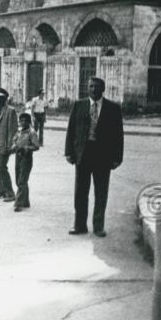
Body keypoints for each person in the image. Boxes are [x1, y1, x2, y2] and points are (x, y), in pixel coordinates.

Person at [64, 76, 124, 237]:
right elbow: (71, 130)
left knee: (101, 192)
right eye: (90, 86)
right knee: (80, 192)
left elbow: (118, 135)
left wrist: (118, 157)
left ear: (102, 89)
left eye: (96, 87)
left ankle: (98, 226)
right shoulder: (79, 105)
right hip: (83, 154)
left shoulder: (113, 108)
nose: (93, 89)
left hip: (103, 156)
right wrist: (69, 152)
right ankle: (79, 225)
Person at [0, 88, 18, 202]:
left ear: (5, 99)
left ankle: (10, 193)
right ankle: (1, 190)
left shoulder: (10, 111)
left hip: (4, 145)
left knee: (2, 168)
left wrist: (11, 145)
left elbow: (13, 130)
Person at [9, 112, 40, 211]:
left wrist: (27, 148)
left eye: (25, 121)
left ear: (29, 121)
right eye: (21, 120)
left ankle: (19, 203)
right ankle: (25, 201)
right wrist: (13, 147)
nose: (23, 122)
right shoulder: (19, 131)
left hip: (26, 158)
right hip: (18, 157)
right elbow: (14, 140)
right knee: (18, 179)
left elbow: (36, 146)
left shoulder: (32, 132)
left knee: (22, 180)